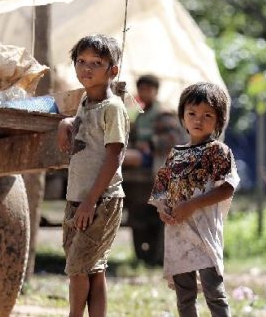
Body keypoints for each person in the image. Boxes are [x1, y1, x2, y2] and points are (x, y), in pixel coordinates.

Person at [149, 82, 239, 317]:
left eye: (207, 115)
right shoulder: (175, 154)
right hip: (178, 234)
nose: (198, 120)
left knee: (214, 293)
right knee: (185, 295)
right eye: (192, 114)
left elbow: (227, 188)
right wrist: (163, 210)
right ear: (183, 117)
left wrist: (192, 205)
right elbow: (162, 190)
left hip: (204, 234)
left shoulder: (218, 152)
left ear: (219, 120)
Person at [57, 34, 130, 317]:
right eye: (81, 61)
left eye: (96, 63)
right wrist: (65, 122)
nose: (86, 68)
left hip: (100, 200)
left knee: (77, 270)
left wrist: (90, 201)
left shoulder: (112, 108)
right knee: (92, 269)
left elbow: (115, 155)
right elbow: (80, 126)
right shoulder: (86, 102)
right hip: (78, 197)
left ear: (113, 71)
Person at [124, 74, 162, 168]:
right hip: (139, 152)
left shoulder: (162, 113)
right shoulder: (141, 115)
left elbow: (171, 139)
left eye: (148, 90)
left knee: (119, 158)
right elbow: (133, 136)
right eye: (141, 89)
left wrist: (150, 144)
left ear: (156, 92)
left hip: (156, 158)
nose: (144, 93)